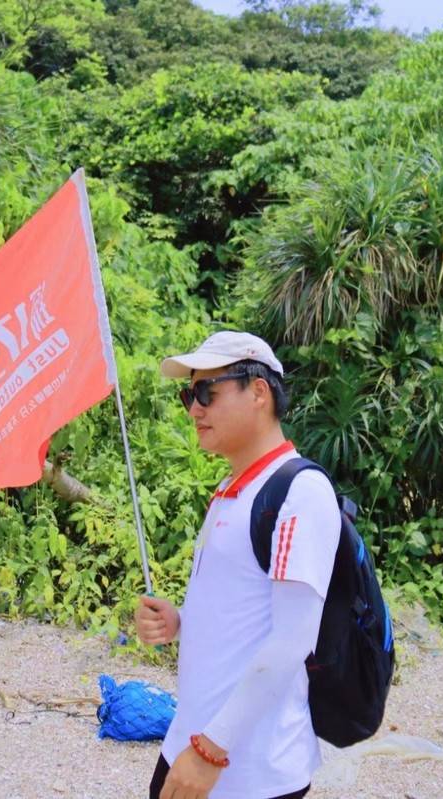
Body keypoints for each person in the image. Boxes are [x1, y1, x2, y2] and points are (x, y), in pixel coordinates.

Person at [135, 331, 341, 799]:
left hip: (247, 771)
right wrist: (179, 623)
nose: (194, 409)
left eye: (206, 392)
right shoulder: (233, 490)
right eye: (189, 395)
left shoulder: (300, 493)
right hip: (191, 741)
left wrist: (211, 751)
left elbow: (292, 640)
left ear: (259, 392)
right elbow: (242, 613)